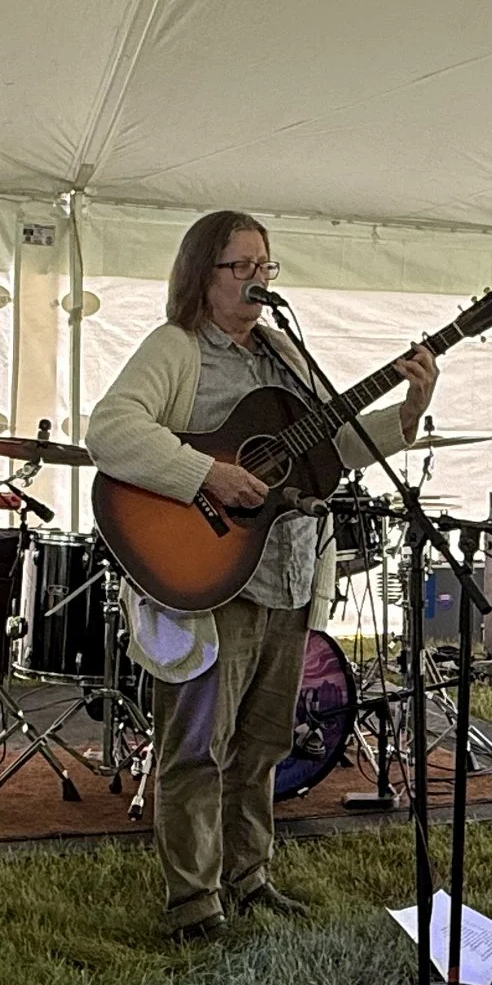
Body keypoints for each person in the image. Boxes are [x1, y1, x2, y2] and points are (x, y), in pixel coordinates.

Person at [88, 212, 437, 943]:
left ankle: (249, 877)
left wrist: (410, 407)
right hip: (212, 582)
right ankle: (194, 901)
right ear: (200, 276)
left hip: (284, 573)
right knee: (196, 748)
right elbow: (111, 429)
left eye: (264, 266)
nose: (255, 278)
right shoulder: (176, 348)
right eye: (238, 265)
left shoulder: (283, 354)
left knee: (264, 745)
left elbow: (331, 447)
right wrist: (208, 472)